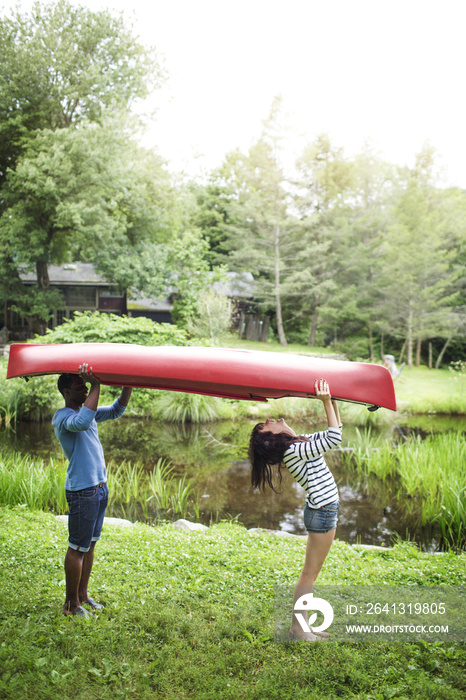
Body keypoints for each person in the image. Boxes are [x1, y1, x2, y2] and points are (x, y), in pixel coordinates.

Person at [248, 378, 342, 642]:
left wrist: (334, 400)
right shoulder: (295, 450)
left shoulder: (299, 443)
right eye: (265, 425)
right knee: (310, 573)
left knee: (311, 572)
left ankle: (302, 628)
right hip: (322, 512)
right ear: (271, 436)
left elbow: (334, 431)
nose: (270, 418)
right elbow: (335, 437)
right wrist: (325, 402)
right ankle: (298, 631)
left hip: (323, 510)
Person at [52, 363, 132, 618]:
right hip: (82, 491)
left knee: (89, 545)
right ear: (66, 391)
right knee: (77, 547)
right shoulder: (63, 417)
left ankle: (83, 596)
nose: (85, 388)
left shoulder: (87, 412)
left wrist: (127, 382)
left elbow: (117, 410)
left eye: (87, 385)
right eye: (80, 386)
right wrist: (97, 384)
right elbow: (84, 421)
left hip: (99, 488)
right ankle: (70, 605)